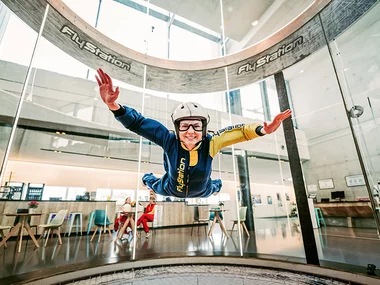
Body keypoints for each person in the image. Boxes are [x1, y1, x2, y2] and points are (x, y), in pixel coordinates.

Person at [96, 68, 292, 198]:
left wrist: (263, 129)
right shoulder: (168, 140)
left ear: (204, 129)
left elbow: (239, 132)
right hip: (170, 188)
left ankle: (215, 186)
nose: (190, 132)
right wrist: (114, 105)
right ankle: (147, 179)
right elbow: (139, 123)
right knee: (151, 182)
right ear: (177, 129)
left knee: (216, 185)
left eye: (196, 126)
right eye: (184, 126)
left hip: (204, 190)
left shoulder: (211, 142)